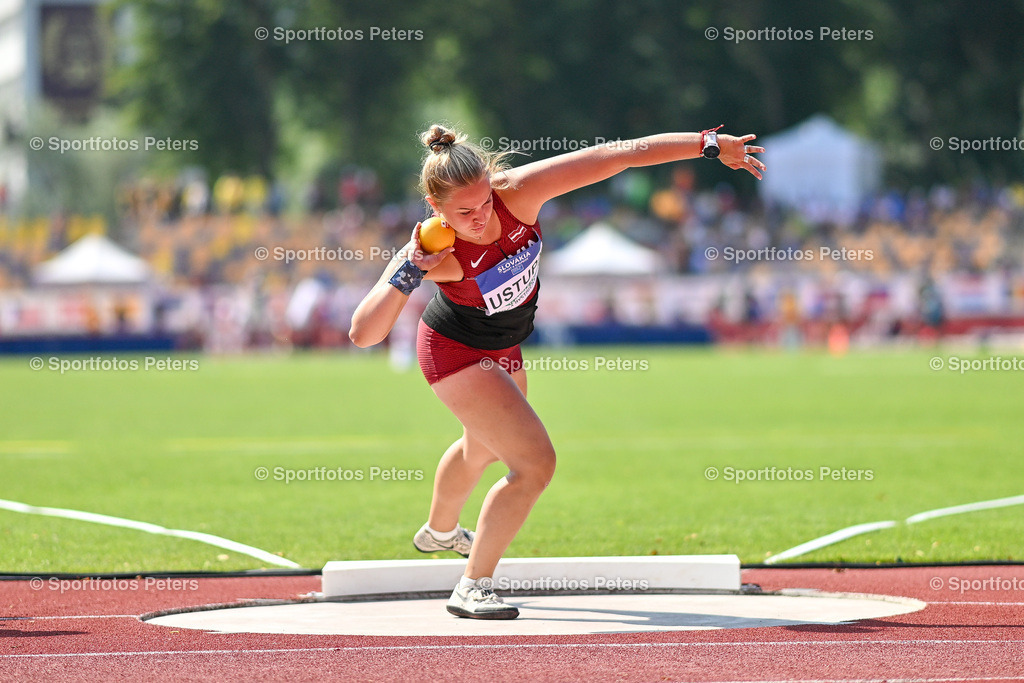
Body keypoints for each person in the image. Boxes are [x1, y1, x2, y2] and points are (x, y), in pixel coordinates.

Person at [349, 123, 764, 619]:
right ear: (436, 211)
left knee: (478, 447)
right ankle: (473, 586)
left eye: (484, 202)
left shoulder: (519, 194)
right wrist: (408, 270)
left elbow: (617, 155)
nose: (481, 219)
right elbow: (364, 334)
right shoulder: (430, 251)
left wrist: (708, 145)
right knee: (534, 465)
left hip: (505, 347)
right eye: (464, 212)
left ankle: (439, 532)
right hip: (454, 351)